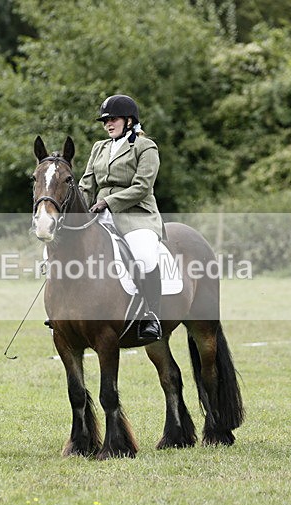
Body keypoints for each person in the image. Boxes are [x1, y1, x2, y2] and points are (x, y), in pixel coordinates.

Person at [79, 94, 163, 341]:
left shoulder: (145, 147)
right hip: (99, 216)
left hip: (136, 216)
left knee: (145, 257)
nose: (108, 124)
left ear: (129, 120)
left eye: (113, 119)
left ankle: (151, 316)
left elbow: (142, 187)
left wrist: (108, 202)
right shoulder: (99, 148)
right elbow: (86, 184)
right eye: (105, 121)